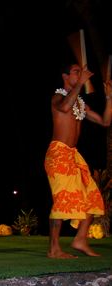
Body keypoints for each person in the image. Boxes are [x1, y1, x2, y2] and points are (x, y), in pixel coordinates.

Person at [44, 63, 112, 259]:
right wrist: (80, 84)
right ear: (65, 76)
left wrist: (109, 97)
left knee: (92, 196)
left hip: (74, 155)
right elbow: (64, 108)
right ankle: (54, 249)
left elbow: (105, 121)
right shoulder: (58, 97)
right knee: (63, 199)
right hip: (58, 155)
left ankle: (80, 239)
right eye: (76, 71)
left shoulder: (80, 103)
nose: (81, 74)